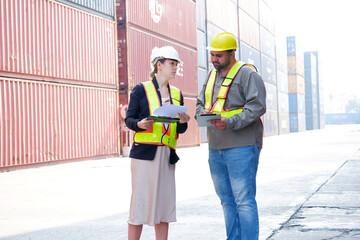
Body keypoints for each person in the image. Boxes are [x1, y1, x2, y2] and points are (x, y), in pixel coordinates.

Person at [196, 32, 266, 240]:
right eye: (212, 55)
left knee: (244, 200)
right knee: (226, 200)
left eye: (219, 55)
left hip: (241, 146)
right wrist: (201, 114)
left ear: (232, 53)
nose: (214, 59)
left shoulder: (247, 74)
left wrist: (230, 122)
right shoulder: (211, 76)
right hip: (215, 147)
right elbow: (201, 103)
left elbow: (257, 106)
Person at [125, 45, 190, 240]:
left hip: (167, 156)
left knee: (163, 206)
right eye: (172, 63)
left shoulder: (177, 94)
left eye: (176, 64)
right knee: (140, 204)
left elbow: (179, 129)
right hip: (144, 155)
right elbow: (129, 119)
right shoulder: (140, 89)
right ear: (159, 65)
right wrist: (140, 124)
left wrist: (183, 123)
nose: (175, 68)